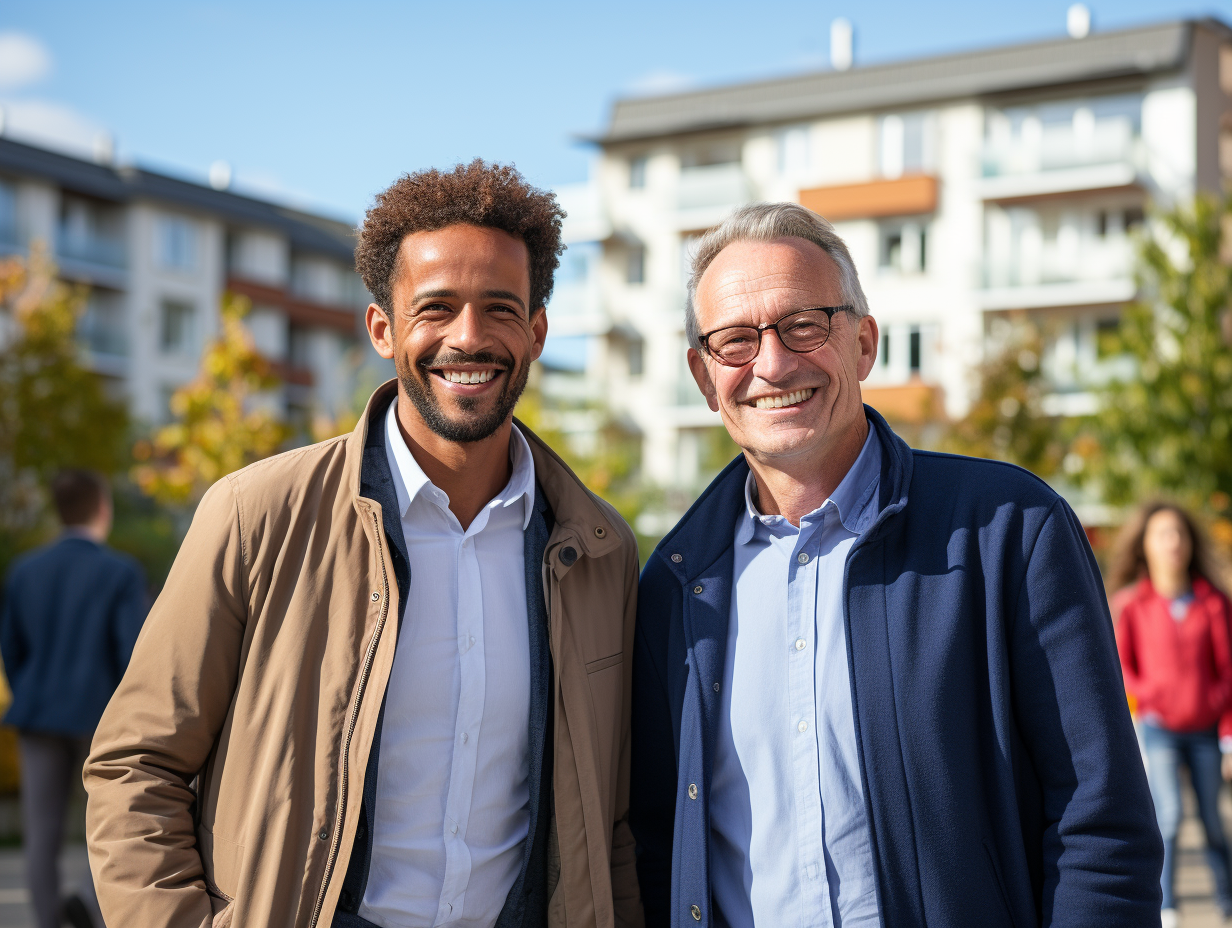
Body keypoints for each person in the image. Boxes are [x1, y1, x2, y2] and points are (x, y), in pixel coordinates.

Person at [84, 161, 643, 928]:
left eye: (500, 309)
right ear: (383, 328)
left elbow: (608, 821)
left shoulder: (599, 553)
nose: (468, 338)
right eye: (436, 308)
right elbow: (135, 766)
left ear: (538, 331)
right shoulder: (257, 517)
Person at [629, 203, 1163, 928]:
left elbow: (1098, 827)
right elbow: (662, 839)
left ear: (864, 343)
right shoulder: (676, 586)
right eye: (734, 341)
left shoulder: (1009, 530)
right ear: (702, 375)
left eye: (804, 325)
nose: (773, 363)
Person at [1, 469, 146, 928]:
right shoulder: (121, 572)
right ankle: (91, 906)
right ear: (102, 507)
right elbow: (133, 655)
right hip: (100, 720)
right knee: (105, 825)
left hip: (38, 716)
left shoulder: (25, 570)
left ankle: (48, 922)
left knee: (40, 833)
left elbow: (12, 647)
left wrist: (29, 690)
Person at [1111, 502, 1232, 927]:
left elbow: (1229, 669)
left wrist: (1224, 724)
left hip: (1205, 732)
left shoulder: (1213, 602)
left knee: (1213, 822)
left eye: (1179, 533)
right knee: (1170, 817)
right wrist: (1152, 696)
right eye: (1162, 534)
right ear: (1145, 545)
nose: (1172, 543)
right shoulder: (1131, 605)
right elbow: (1121, 668)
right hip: (1159, 730)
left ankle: (1227, 900)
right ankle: (1167, 907)